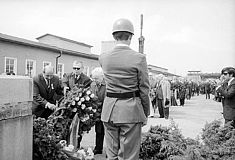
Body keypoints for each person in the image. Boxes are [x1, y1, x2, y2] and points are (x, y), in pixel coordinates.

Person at [99, 18, 150, 160]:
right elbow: (144, 89)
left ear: (114, 36)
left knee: (112, 154)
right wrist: (145, 113)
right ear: (131, 36)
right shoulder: (139, 58)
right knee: (129, 156)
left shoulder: (103, 58)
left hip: (109, 111)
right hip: (130, 111)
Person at [62, 60, 92, 149]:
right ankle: (67, 146)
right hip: (68, 106)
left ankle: (77, 145)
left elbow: (87, 91)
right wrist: (64, 87)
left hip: (80, 106)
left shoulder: (86, 79)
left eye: (78, 68)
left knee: (79, 128)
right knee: (67, 126)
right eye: (74, 68)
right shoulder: (67, 75)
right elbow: (63, 83)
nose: (75, 70)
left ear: (82, 69)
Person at [90, 67, 106, 155]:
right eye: (93, 78)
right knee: (98, 131)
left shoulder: (106, 85)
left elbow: (106, 101)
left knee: (108, 133)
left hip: (105, 111)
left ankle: (111, 151)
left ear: (102, 77)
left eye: (96, 78)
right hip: (96, 112)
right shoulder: (92, 85)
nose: (94, 80)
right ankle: (98, 148)